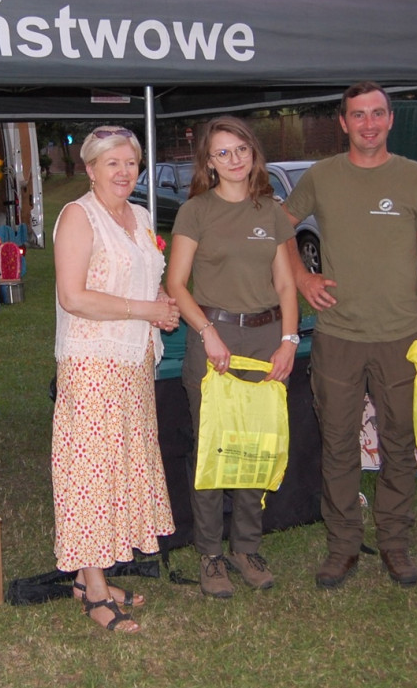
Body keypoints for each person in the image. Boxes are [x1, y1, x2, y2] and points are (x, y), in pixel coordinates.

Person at [283, 81, 417, 588]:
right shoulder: (322, 176)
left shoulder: (416, 178)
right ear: (343, 122)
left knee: (399, 442)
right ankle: (344, 546)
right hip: (337, 336)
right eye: (359, 115)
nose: (369, 124)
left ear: (391, 120)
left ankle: (395, 544)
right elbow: (277, 226)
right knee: (338, 444)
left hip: (402, 335)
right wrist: (302, 276)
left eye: (378, 114)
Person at [52, 126, 180, 633]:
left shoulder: (141, 216)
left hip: (133, 362)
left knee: (121, 467)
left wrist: (160, 310)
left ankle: (91, 575)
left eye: (131, 163)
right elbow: (73, 296)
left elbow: (146, 278)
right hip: (92, 362)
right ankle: (95, 590)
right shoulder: (78, 217)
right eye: (113, 164)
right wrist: (144, 309)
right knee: (90, 475)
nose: (125, 172)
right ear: (90, 169)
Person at [166, 116, 299, 598]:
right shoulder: (196, 211)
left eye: (240, 148)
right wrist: (206, 334)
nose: (234, 159)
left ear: (253, 152)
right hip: (215, 338)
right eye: (222, 153)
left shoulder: (271, 211)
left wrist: (288, 340)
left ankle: (246, 547)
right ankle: (210, 555)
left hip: (265, 344)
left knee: (255, 448)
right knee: (215, 450)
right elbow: (175, 284)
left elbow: (286, 283)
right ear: (209, 162)